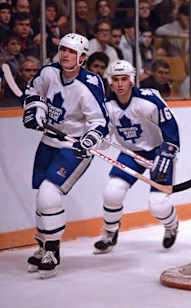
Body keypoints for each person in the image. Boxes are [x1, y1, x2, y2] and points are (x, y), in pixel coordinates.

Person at [22, 33, 108, 278]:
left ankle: (52, 250)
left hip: (74, 148)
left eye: (72, 51)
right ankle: (42, 245)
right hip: (48, 143)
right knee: (42, 197)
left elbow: (100, 121)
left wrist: (90, 138)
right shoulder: (49, 73)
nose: (66, 55)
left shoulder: (89, 84)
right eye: (63, 49)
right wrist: (34, 109)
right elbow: (31, 92)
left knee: (50, 195)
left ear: (83, 57)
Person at [93, 60, 180, 254]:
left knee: (158, 204)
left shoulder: (148, 100)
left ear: (132, 80)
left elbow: (170, 126)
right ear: (110, 82)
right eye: (116, 79)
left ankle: (171, 226)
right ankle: (110, 232)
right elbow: (102, 131)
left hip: (159, 151)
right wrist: (100, 139)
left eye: (124, 79)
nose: (120, 84)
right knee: (112, 192)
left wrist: (167, 152)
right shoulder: (106, 106)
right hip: (130, 153)